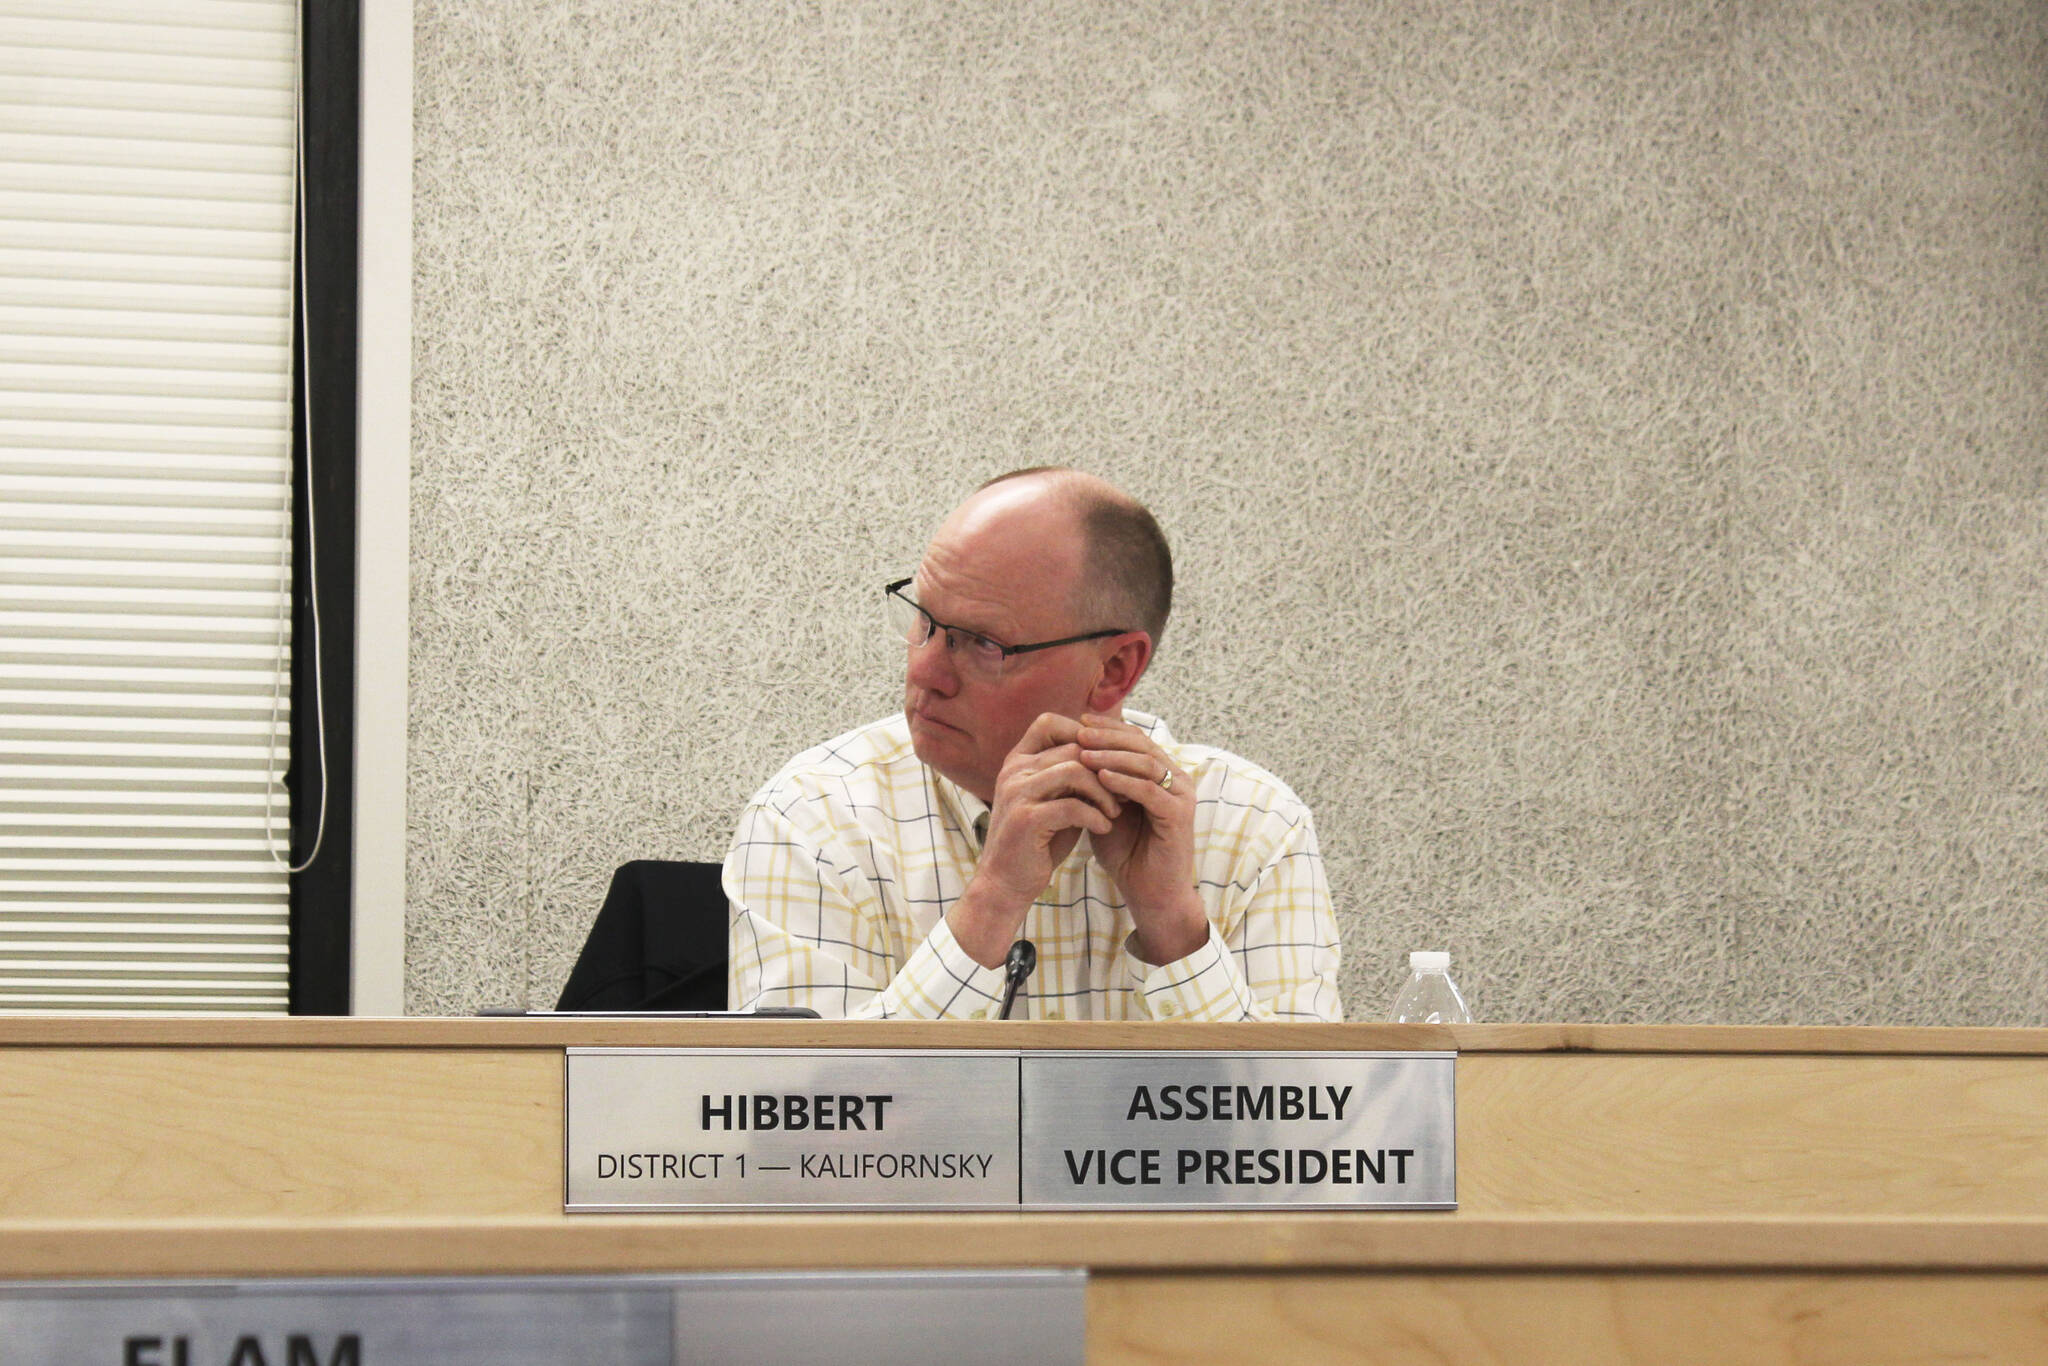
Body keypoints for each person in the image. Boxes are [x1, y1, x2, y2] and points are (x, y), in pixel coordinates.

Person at [723, 468, 1342, 1020]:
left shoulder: (1255, 828)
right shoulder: (812, 819)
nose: (925, 672)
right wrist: (990, 905)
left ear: (1115, 669)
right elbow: (796, 1127)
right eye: (925, 620)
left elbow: (1302, 1139)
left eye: (984, 644)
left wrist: (1174, 925)